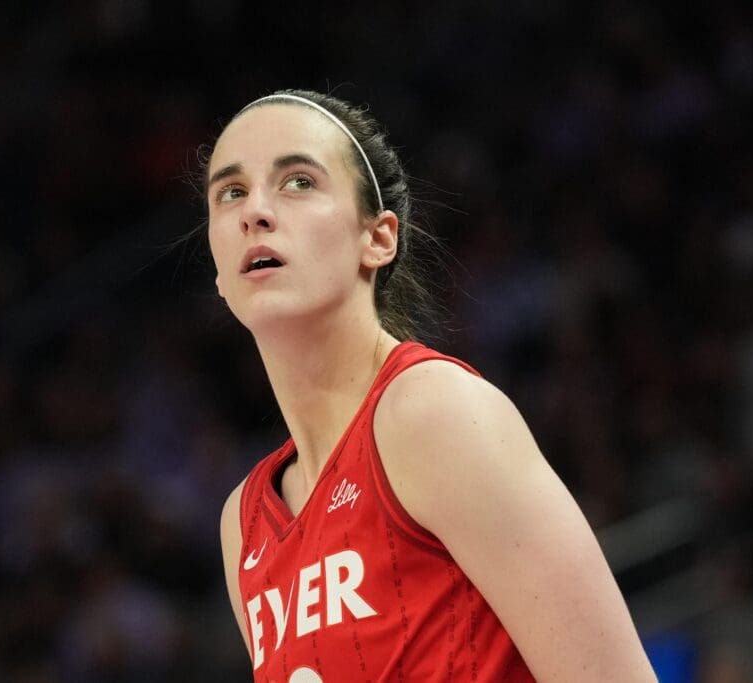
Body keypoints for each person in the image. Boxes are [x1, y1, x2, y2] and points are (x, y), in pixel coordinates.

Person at [208, 89, 655, 682]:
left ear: (379, 238)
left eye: (297, 182)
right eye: (231, 192)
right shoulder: (242, 523)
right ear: (218, 274)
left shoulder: (431, 413)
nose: (254, 211)